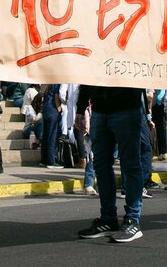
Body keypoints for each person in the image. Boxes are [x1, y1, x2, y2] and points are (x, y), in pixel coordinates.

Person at [76, 84, 147, 243]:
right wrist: (81, 108)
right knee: (100, 165)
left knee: (130, 164)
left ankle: (132, 219)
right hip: (100, 109)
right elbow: (86, 74)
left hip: (127, 106)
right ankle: (108, 218)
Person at [40, 83, 63, 168]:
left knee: (46, 136)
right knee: (53, 136)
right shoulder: (56, 83)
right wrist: (59, 108)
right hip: (53, 111)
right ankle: (51, 160)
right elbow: (56, 96)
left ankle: (44, 159)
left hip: (46, 110)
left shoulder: (48, 85)